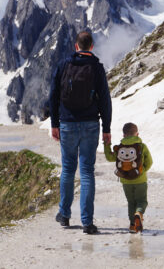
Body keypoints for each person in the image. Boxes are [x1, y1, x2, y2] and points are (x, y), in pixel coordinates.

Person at [49, 31, 112, 235]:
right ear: (91, 46)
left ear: (76, 46)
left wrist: (55, 123)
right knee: (86, 172)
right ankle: (87, 222)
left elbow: (53, 95)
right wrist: (107, 129)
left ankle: (64, 215)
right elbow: (105, 100)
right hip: (91, 124)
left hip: (67, 123)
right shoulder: (97, 67)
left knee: (68, 169)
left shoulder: (64, 65)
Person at [104, 122, 152, 233]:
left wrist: (107, 145)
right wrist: (142, 171)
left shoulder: (120, 147)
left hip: (125, 181)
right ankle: (139, 213)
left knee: (131, 202)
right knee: (141, 201)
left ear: (124, 135)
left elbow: (109, 157)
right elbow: (149, 162)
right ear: (137, 134)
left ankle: (132, 225)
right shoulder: (142, 146)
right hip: (140, 180)